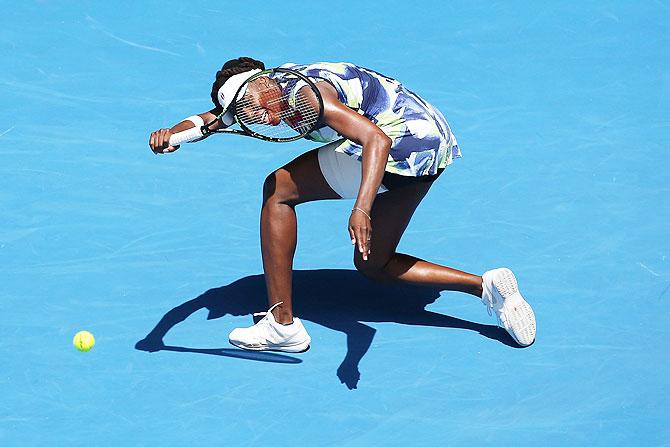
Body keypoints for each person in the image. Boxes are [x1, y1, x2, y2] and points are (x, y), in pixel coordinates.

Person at [148, 57, 537, 352]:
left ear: (263, 82)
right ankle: (487, 287)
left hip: (398, 144)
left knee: (278, 191)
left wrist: (362, 207)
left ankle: (282, 324)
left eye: (255, 104)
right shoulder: (263, 89)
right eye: (247, 113)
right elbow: (210, 120)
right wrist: (173, 136)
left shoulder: (307, 96)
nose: (259, 116)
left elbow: (377, 142)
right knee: (374, 264)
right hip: (432, 143)